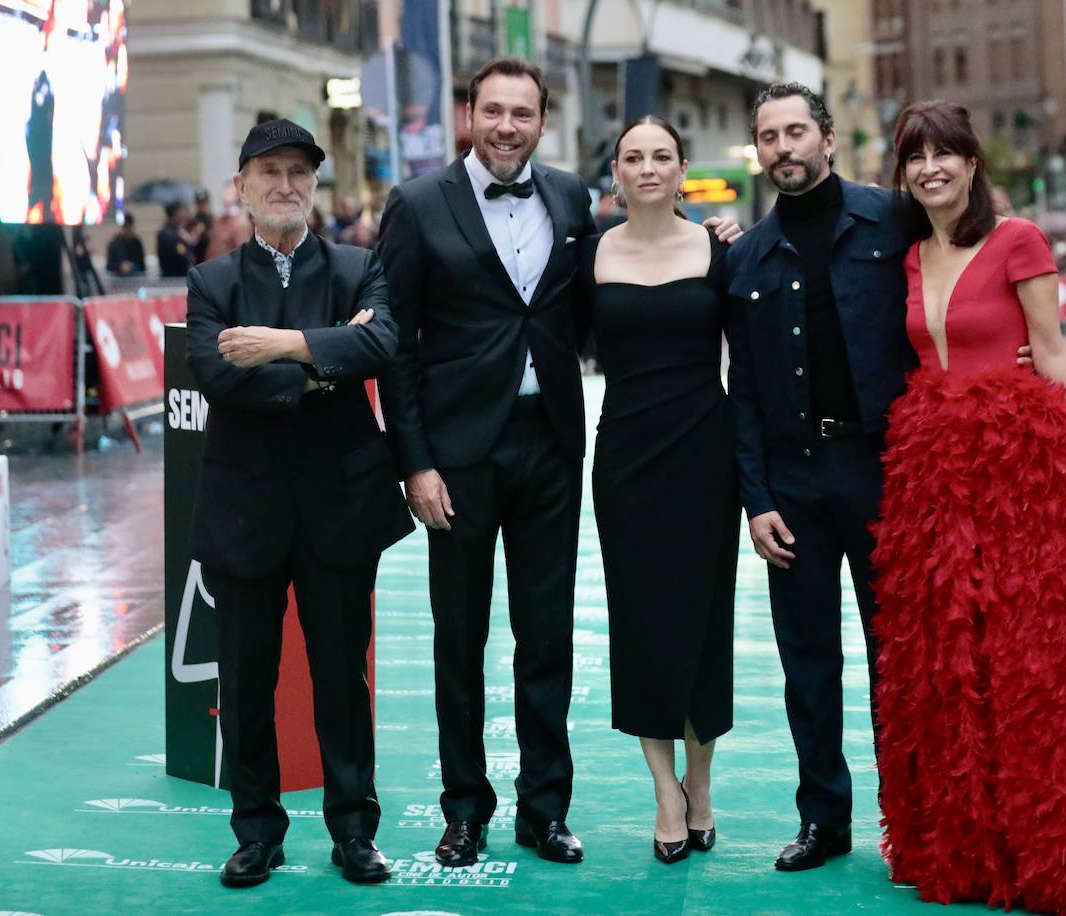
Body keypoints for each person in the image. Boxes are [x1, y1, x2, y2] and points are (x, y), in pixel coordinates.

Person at [378, 57, 737, 870]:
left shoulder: (571, 198)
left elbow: (608, 295)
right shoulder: (418, 202)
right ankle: (464, 810)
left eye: (523, 114)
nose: (507, 127)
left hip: (552, 443)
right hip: (457, 456)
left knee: (546, 636)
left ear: (543, 122)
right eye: (493, 111)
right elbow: (397, 344)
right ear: (470, 116)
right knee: (459, 637)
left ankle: (544, 810)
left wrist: (717, 235)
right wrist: (415, 461)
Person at [869, 100, 1066, 914]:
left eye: (944, 154)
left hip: (1019, 467)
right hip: (933, 474)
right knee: (951, 662)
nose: (930, 169)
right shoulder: (911, 256)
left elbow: (1052, 352)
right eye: (915, 156)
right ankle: (967, 849)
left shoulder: (1018, 239)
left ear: (971, 162)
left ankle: (1053, 850)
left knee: (1035, 659)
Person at [185, 119, 414, 888]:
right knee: (246, 682)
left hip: (340, 506)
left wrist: (280, 347)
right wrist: (327, 358)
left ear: (314, 185)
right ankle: (257, 831)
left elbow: (380, 346)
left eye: (298, 173)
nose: (285, 185)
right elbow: (220, 377)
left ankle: (354, 830)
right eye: (270, 172)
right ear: (242, 187)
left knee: (342, 679)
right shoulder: (212, 281)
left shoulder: (357, 265)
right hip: (243, 509)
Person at [725, 83, 917, 872]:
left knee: (898, 659)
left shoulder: (892, 220)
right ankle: (823, 820)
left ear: (828, 139)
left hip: (884, 473)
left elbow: (954, 288)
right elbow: (741, 390)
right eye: (769, 136)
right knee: (808, 663)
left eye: (796, 131)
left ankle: (913, 824)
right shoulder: (745, 257)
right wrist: (756, 499)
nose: (784, 148)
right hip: (793, 485)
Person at [577, 116, 737, 865]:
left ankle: (701, 783)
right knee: (640, 622)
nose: (647, 167)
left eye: (661, 156)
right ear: (616, 173)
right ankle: (665, 790)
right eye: (633, 157)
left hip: (706, 452)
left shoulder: (720, 250)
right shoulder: (588, 255)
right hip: (626, 457)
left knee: (704, 621)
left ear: (682, 171)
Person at [158, 200, 194, 277]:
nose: (183, 215)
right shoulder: (167, 234)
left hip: (180, 276)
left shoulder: (178, 231)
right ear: (174, 215)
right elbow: (184, 256)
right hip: (172, 278)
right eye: (180, 212)